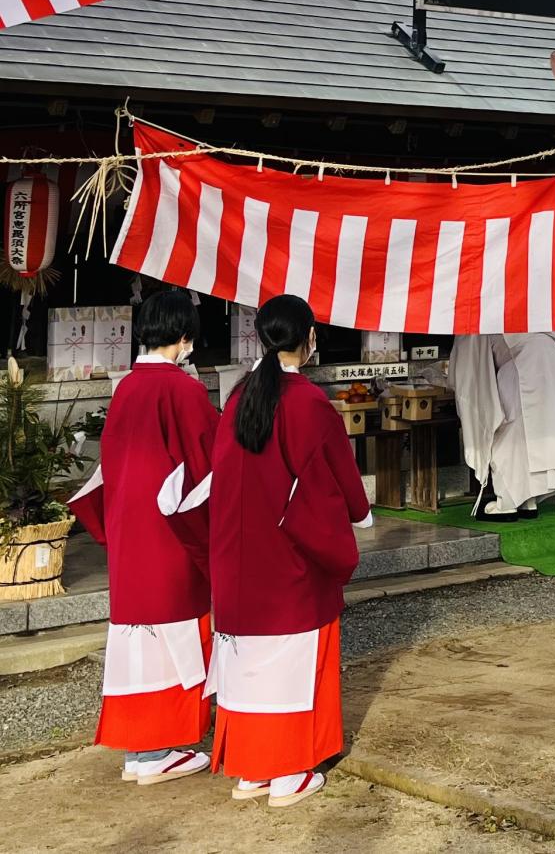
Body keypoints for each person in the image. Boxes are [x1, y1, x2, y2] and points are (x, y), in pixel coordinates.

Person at [208, 295, 370, 808]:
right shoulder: (308, 402)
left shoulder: (237, 398)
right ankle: (291, 770)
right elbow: (339, 480)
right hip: (289, 563)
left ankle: (251, 769)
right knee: (297, 665)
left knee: (249, 667)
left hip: (238, 560)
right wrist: (358, 513)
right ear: (311, 338)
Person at [67, 288, 218, 785]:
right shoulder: (184, 390)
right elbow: (209, 464)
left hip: (131, 534)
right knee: (176, 634)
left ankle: (139, 749)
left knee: (137, 641)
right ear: (183, 336)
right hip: (170, 534)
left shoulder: (127, 387)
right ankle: (158, 750)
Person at [450, 331, 555, 517]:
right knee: (537, 437)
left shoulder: (476, 315)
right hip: (553, 363)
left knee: (509, 437)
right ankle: (528, 500)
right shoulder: (527, 305)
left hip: (521, 368)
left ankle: (506, 503)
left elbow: (467, 368)